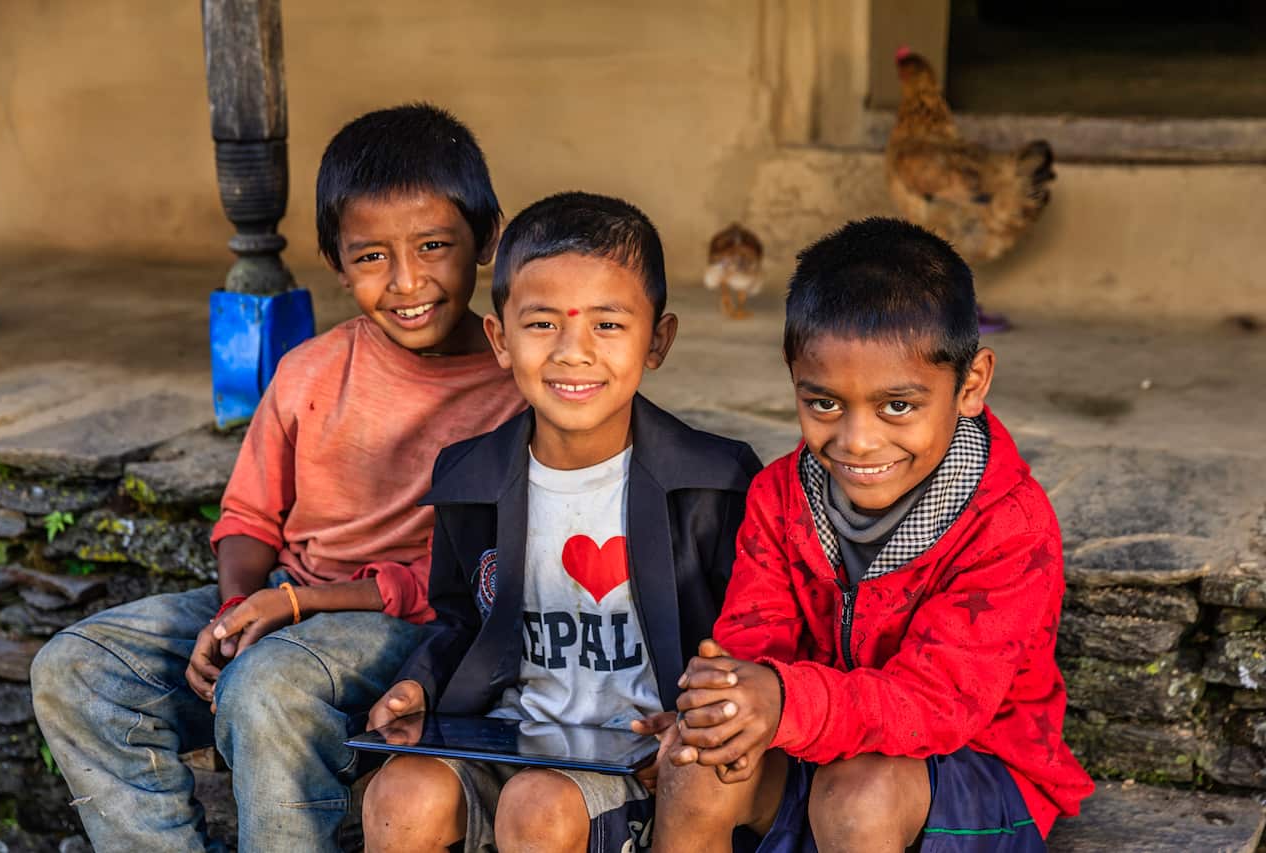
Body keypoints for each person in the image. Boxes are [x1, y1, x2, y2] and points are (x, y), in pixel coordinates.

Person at [29, 103, 528, 853]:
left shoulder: (517, 390)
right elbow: (249, 518)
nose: (405, 281)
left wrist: (293, 606)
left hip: (410, 628)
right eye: (370, 257)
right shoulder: (309, 371)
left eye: (433, 246)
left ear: (487, 238)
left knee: (268, 683)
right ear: (334, 260)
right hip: (287, 603)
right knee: (75, 667)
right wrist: (234, 614)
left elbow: (474, 581)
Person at [656, 218, 1094, 853]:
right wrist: (721, 711)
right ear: (793, 375)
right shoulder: (779, 498)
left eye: (898, 406)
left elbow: (937, 705)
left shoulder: (1007, 527)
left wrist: (782, 700)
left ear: (970, 384)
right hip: (814, 743)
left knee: (857, 797)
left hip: (971, 771)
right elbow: (755, 642)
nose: (857, 442)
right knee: (696, 763)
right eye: (825, 403)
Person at [360, 191, 762, 853]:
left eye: (607, 325)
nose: (574, 352)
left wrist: (697, 722)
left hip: (636, 755)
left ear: (657, 339)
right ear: (500, 338)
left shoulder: (714, 483)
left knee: (538, 805)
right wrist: (418, 683)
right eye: (543, 324)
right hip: (508, 734)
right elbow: (461, 617)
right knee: (399, 795)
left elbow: (746, 637)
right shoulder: (471, 478)